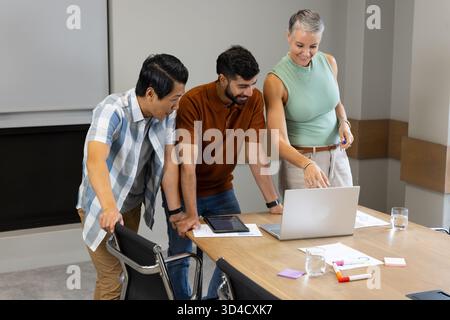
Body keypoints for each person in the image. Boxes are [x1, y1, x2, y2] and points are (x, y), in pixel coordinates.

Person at [166, 45, 283, 300]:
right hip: (186, 191)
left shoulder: (255, 99)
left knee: (234, 253)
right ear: (222, 79)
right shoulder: (193, 101)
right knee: (181, 255)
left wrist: (273, 203)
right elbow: (187, 164)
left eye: (253, 84)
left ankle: (210, 302)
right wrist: (192, 213)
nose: (249, 92)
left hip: (222, 190)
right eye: (242, 86)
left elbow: (255, 154)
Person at [76, 54, 188, 300]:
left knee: (125, 272)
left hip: (131, 207)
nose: (176, 106)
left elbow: (169, 163)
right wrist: (109, 208)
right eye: (174, 99)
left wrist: (176, 210)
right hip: (101, 206)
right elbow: (95, 162)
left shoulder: (166, 115)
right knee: (112, 278)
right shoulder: (112, 110)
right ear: (150, 94)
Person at [264, 9, 354, 193]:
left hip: (338, 157)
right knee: (305, 222)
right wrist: (307, 165)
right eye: (300, 45)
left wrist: (344, 123)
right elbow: (277, 140)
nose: (306, 53)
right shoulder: (275, 81)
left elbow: (335, 103)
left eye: (313, 46)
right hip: (302, 163)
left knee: (345, 220)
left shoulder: (329, 62)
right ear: (288, 37)